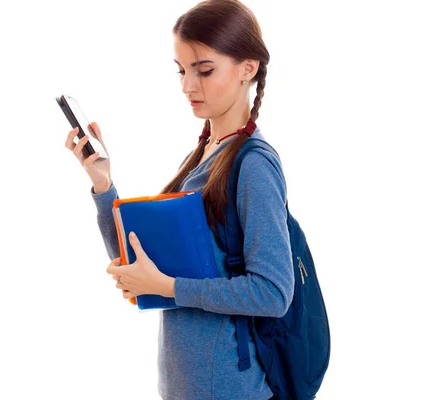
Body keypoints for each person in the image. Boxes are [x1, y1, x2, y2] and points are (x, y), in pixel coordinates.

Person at [64, 1, 294, 399]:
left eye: (204, 70)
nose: (188, 86)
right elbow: (139, 266)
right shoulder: (203, 155)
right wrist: (103, 184)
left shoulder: (253, 165)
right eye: (182, 70)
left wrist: (170, 287)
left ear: (248, 68)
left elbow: (273, 293)